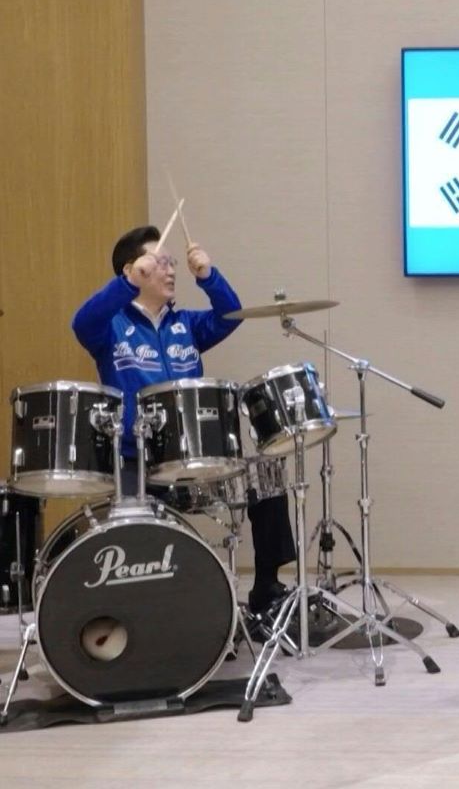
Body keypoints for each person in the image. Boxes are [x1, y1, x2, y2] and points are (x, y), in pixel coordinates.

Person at [71, 225, 294, 613]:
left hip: (197, 454)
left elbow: (230, 315)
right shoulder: (110, 327)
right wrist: (124, 285)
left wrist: (208, 276)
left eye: (173, 262)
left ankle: (266, 588)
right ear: (134, 268)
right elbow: (81, 321)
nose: (172, 270)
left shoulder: (186, 325)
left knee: (266, 475)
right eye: (161, 262)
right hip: (136, 461)